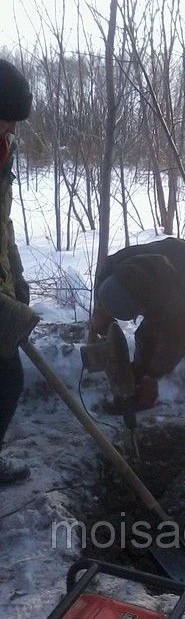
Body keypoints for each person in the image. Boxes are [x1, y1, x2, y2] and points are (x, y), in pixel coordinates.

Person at [91, 238, 185, 414]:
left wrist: (153, 376)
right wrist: (101, 307)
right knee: (145, 336)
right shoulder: (121, 266)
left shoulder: (176, 297)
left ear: (142, 304)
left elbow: (179, 341)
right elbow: (105, 271)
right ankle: (132, 395)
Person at [0, 59, 33, 484]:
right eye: (5, 121)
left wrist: (17, 279)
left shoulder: (3, 154)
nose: (10, 132)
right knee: (8, 379)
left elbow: (3, 224)